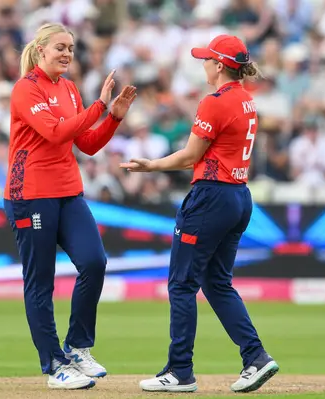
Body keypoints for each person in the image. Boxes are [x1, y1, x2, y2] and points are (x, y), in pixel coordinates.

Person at [121, 35, 279, 393]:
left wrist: (152, 166)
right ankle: (255, 356)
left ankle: (180, 371)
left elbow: (191, 156)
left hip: (211, 196)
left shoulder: (215, 102)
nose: (203, 64)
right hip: (238, 196)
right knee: (217, 283)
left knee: (181, 283)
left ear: (220, 65)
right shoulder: (247, 100)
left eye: (207, 59)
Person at [3, 23, 136, 390]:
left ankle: (77, 346)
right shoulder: (25, 89)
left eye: (72, 48)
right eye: (60, 47)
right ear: (41, 49)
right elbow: (57, 133)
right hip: (30, 193)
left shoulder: (69, 89)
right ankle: (54, 365)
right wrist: (99, 105)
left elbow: (87, 144)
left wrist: (114, 116)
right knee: (41, 281)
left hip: (67, 191)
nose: (67, 53)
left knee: (94, 261)